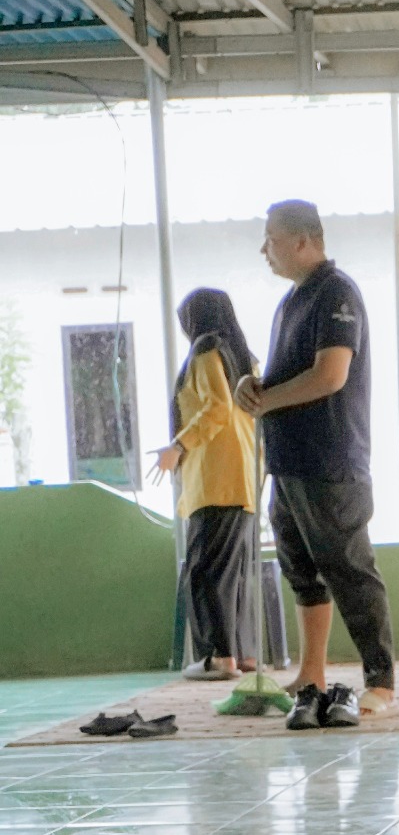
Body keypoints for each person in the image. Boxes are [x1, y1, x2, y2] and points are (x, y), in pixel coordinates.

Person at [235, 199, 395, 731]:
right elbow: (287, 375)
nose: (265, 250)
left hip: (332, 458)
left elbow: (331, 375)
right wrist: (253, 387)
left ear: (303, 241)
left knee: (349, 569)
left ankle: (380, 681)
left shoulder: (337, 293)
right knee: (302, 570)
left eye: (271, 240)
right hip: (290, 461)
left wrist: (269, 400)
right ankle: (313, 674)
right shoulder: (291, 302)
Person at [151, 288, 257, 681]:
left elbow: (216, 408)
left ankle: (219, 657)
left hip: (215, 479)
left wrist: (178, 446)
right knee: (234, 572)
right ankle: (242, 654)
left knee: (204, 570)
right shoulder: (243, 358)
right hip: (243, 479)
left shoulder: (205, 352)